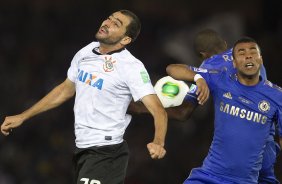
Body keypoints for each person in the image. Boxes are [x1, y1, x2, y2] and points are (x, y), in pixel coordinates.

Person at [1, 10, 168, 184]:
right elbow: (65, 89)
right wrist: (23, 116)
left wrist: (158, 142)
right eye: (109, 18)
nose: (107, 23)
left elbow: (158, 110)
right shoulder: (86, 51)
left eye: (116, 24)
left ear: (126, 39)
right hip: (83, 148)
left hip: (106, 152)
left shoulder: (131, 67)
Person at [129, 29, 280, 183]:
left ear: (203, 54)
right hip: (265, 146)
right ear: (225, 44)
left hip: (233, 155)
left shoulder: (209, 69)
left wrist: (141, 108)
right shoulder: (251, 59)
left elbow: (183, 112)